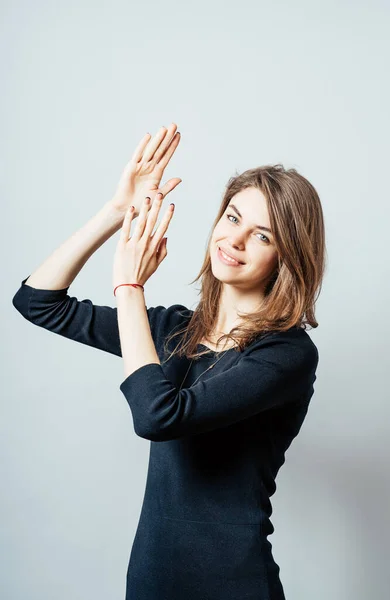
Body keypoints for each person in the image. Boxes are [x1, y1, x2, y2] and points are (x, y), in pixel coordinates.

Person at [12, 122, 325, 600]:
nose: (235, 240)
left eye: (263, 235)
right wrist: (116, 212)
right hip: (152, 581)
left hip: (236, 586)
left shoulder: (285, 353)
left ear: (288, 256)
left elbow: (159, 415)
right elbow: (37, 302)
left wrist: (130, 288)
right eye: (233, 217)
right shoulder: (171, 329)